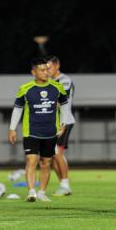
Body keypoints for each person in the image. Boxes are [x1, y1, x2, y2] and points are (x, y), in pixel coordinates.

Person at [8, 58, 69, 202]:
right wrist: (12, 129)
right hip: (31, 131)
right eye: (42, 70)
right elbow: (18, 109)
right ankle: (31, 192)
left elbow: (65, 105)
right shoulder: (25, 89)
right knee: (31, 160)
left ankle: (42, 192)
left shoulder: (57, 87)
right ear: (33, 72)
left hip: (50, 132)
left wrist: (63, 124)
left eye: (47, 69)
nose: (46, 72)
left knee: (46, 163)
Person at [46, 55, 75, 196]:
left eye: (49, 67)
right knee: (51, 157)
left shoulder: (64, 80)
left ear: (57, 66)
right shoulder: (48, 82)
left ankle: (65, 185)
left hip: (65, 122)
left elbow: (59, 102)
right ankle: (63, 186)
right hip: (53, 123)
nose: (47, 70)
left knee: (57, 153)